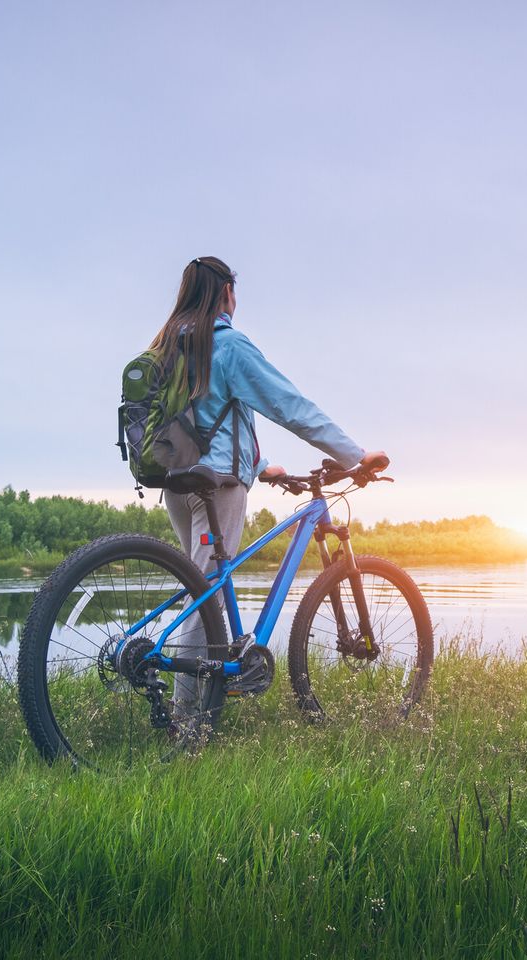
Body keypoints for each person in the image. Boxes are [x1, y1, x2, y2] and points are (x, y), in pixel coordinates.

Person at [144, 256, 386, 720]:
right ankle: (185, 719)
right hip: (218, 484)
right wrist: (355, 455)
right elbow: (288, 405)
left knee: (202, 584)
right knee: (206, 594)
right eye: (234, 293)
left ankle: (204, 696)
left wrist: (260, 466)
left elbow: (207, 417)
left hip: (176, 481)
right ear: (225, 294)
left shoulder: (169, 346)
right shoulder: (227, 344)